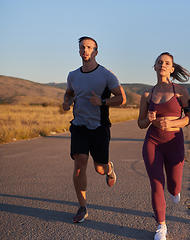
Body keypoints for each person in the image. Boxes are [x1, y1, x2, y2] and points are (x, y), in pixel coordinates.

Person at [63, 36, 126, 223]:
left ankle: (109, 168)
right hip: (79, 125)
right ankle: (82, 207)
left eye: (89, 47)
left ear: (96, 52)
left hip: (99, 126)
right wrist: (66, 102)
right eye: (82, 47)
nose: (85, 50)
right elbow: (69, 93)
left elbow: (122, 99)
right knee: (79, 164)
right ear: (79, 51)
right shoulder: (72, 75)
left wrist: (103, 101)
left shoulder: (106, 75)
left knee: (99, 168)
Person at [137, 52, 190, 240]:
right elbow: (140, 123)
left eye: (167, 63)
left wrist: (173, 124)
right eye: (159, 62)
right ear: (155, 67)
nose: (162, 65)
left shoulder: (181, 91)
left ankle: (175, 191)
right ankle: (161, 226)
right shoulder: (147, 94)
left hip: (174, 142)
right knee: (156, 184)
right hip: (153, 142)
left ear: (172, 68)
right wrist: (148, 119)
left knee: (174, 185)